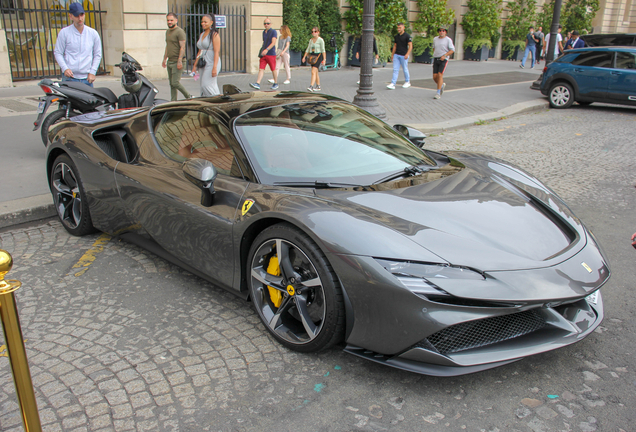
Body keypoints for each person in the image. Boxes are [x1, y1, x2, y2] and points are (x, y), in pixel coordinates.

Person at [54, 3, 102, 87]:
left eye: (81, 15)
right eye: (76, 16)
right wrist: (65, 68)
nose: (80, 18)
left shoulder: (93, 33)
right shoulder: (64, 33)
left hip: (87, 78)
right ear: (71, 16)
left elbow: (97, 54)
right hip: (70, 78)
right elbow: (58, 52)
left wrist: (92, 72)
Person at [162, 13, 191, 101]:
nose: (169, 22)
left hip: (177, 61)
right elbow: (168, 46)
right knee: (171, 84)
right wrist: (164, 59)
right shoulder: (168, 32)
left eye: (171, 20)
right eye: (168, 20)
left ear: (176, 20)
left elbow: (182, 47)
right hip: (170, 61)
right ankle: (173, 100)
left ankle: (189, 96)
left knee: (175, 82)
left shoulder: (179, 31)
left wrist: (179, 61)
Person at [192, 14, 221, 97]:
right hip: (203, 62)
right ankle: (207, 100)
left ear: (211, 22)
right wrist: (195, 66)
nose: (203, 23)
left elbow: (216, 52)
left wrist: (214, 67)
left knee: (207, 84)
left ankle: (217, 100)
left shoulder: (214, 35)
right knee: (202, 86)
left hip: (212, 61)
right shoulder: (202, 34)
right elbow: (199, 51)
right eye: (202, 22)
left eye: (205, 22)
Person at [250, 19, 278, 90]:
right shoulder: (264, 32)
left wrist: (267, 49)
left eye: (268, 23)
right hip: (264, 54)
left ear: (270, 24)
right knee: (261, 69)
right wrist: (263, 50)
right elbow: (264, 42)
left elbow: (273, 43)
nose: (266, 25)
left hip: (271, 54)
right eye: (265, 23)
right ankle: (257, 83)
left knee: (273, 69)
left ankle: (276, 83)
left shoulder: (273, 32)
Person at [431, 26, 454, 99]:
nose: (441, 32)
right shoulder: (435, 39)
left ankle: (438, 92)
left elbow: (452, 50)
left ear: (446, 32)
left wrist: (445, 55)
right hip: (436, 58)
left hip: (443, 59)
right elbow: (434, 48)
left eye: (443, 31)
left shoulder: (448, 40)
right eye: (440, 30)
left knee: (440, 75)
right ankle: (441, 85)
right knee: (435, 77)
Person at [387, 22, 412, 89]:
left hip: (404, 55)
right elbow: (395, 46)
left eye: (400, 28)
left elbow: (410, 46)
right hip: (396, 55)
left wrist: (407, 54)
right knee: (395, 69)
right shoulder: (396, 36)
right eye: (398, 28)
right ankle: (393, 83)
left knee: (405, 69)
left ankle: (407, 81)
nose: (398, 29)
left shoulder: (407, 36)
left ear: (403, 28)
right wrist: (392, 54)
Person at [302, 27, 326, 92]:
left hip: (318, 56)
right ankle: (318, 86)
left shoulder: (320, 40)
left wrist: (324, 59)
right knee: (315, 72)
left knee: (313, 71)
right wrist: (304, 56)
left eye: (315, 31)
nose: (313, 33)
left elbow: (323, 50)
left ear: (318, 32)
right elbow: (308, 49)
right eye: (312, 31)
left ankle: (311, 86)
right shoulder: (311, 40)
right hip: (312, 56)